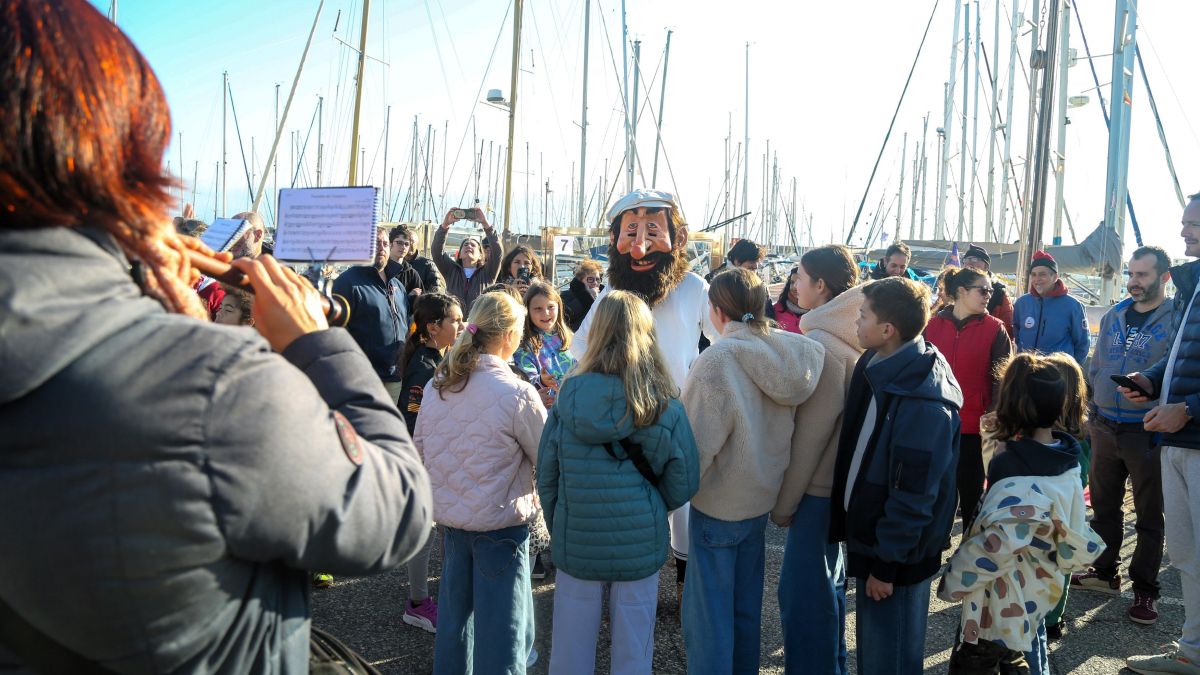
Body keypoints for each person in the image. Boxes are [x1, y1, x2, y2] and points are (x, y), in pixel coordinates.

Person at [0, 3, 433, 671]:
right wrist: (315, 343)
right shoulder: (213, 387)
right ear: (117, 155)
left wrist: (145, 308)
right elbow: (398, 509)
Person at [537, 291, 700, 675]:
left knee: (570, 650)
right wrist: (653, 506)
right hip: (639, 538)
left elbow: (548, 476)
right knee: (634, 649)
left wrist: (563, 518)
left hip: (578, 535)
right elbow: (684, 479)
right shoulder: (665, 404)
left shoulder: (567, 398)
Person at [679, 268, 832, 673]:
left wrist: (673, 490)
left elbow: (695, 446)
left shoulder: (717, 360)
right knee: (745, 611)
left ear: (716, 311)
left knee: (709, 619)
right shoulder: (791, 353)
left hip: (718, 503)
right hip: (760, 498)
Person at [571, 188, 717, 603]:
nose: (639, 247)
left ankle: (685, 586)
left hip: (677, 413)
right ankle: (623, 583)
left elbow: (722, 340)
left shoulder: (694, 288)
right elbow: (581, 347)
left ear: (679, 237)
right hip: (622, 416)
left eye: (652, 232)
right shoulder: (613, 292)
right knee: (627, 502)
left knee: (684, 503)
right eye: (630, 233)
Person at [829, 276, 962, 675]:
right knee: (876, 654)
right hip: (878, 543)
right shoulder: (879, 363)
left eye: (863, 315)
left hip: (896, 557)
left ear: (887, 330)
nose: (856, 321)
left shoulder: (922, 401)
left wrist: (886, 566)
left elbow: (913, 495)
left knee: (891, 656)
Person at [940, 354, 1104, 675]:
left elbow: (998, 544)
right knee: (1019, 657)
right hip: (1039, 589)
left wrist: (955, 579)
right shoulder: (1066, 459)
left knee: (975, 663)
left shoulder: (1015, 472)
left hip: (998, 601)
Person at [414, 291, 547, 675]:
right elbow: (546, 455)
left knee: (455, 627)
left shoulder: (439, 385)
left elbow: (420, 448)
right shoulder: (517, 393)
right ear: (508, 335)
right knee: (502, 633)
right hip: (501, 525)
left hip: (454, 522)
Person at [1118, 194, 1200, 675]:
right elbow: (1180, 357)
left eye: (1194, 224)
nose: (1184, 231)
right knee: (1187, 554)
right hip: (1177, 440)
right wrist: (1151, 381)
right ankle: (1192, 651)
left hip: (1191, 434)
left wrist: (1187, 409)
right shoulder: (1193, 283)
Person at [774, 244, 865, 674]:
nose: (794, 283)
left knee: (803, 597)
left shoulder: (822, 345)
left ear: (821, 285)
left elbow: (811, 436)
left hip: (816, 491)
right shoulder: (852, 336)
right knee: (829, 588)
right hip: (841, 488)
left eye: (800, 275)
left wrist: (784, 504)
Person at [1071, 246, 1173, 626]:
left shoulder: (1176, 318)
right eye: (1131, 274)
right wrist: (1094, 403)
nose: (1133, 282)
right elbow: (1097, 363)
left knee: (1149, 514)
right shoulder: (1115, 314)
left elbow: (1174, 372)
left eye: (1142, 275)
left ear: (1164, 277)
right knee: (1104, 506)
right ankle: (1104, 572)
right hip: (1104, 425)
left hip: (1147, 429)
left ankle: (1145, 589)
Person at [923, 266, 1013, 534]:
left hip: (974, 426)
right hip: (934, 423)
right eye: (983, 290)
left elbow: (1002, 380)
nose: (989, 296)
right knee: (936, 491)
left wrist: (994, 413)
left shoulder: (995, 329)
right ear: (961, 291)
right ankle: (936, 543)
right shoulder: (932, 325)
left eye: (990, 291)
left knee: (972, 492)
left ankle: (971, 546)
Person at [395, 293, 464, 635]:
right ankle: (418, 603)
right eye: (455, 320)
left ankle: (424, 595)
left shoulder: (437, 358)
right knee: (424, 530)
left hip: (432, 459)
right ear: (434, 327)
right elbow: (412, 421)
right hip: (419, 462)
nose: (462, 325)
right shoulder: (424, 368)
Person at [333, 226, 412, 401]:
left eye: (385, 243)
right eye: (375, 243)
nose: (381, 247)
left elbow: (405, 324)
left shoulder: (398, 286)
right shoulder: (347, 283)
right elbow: (336, 333)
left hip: (395, 376)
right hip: (363, 378)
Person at [1013, 250, 1089, 365]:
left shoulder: (1073, 306)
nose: (1037, 279)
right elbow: (1017, 336)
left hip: (1058, 372)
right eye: (1033, 275)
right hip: (1026, 370)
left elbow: (1082, 343)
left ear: (1055, 277)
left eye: (1042, 274)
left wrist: (1071, 370)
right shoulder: (1022, 303)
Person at [514, 281, 577, 408]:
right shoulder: (524, 347)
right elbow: (525, 385)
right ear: (527, 310)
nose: (546, 313)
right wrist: (542, 381)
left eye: (550, 307)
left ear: (559, 306)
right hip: (550, 409)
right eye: (538, 309)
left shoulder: (569, 336)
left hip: (576, 403)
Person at [430, 208, 504, 314]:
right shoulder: (451, 271)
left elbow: (497, 252)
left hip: (478, 322)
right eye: (465, 245)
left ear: (480, 255)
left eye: (473, 245)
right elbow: (436, 251)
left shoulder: (488, 273)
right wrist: (445, 225)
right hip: (454, 321)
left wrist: (485, 223)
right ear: (459, 255)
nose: (469, 246)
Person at [962, 243, 1015, 337]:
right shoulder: (957, 288)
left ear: (986, 267)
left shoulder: (999, 293)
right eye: (966, 259)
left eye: (974, 259)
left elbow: (1008, 328)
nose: (969, 263)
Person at [390, 223, 445, 294]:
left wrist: (414, 296)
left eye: (408, 243)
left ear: (417, 244)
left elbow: (435, 291)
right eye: (399, 243)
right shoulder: (384, 267)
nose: (404, 246)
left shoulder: (425, 265)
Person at [386, 224, 431, 296]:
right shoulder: (381, 270)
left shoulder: (412, 274)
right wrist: (408, 297)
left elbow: (422, 301)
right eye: (399, 243)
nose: (403, 247)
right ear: (390, 244)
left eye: (406, 244)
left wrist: (412, 297)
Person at [561, 259, 605, 331]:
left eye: (597, 279)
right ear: (580, 280)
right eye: (590, 279)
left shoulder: (605, 297)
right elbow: (565, 317)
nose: (595, 283)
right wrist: (587, 297)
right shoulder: (566, 296)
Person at [772, 266, 805, 333]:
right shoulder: (775, 309)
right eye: (792, 282)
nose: (794, 287)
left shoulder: (818, 312)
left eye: (799, 282)